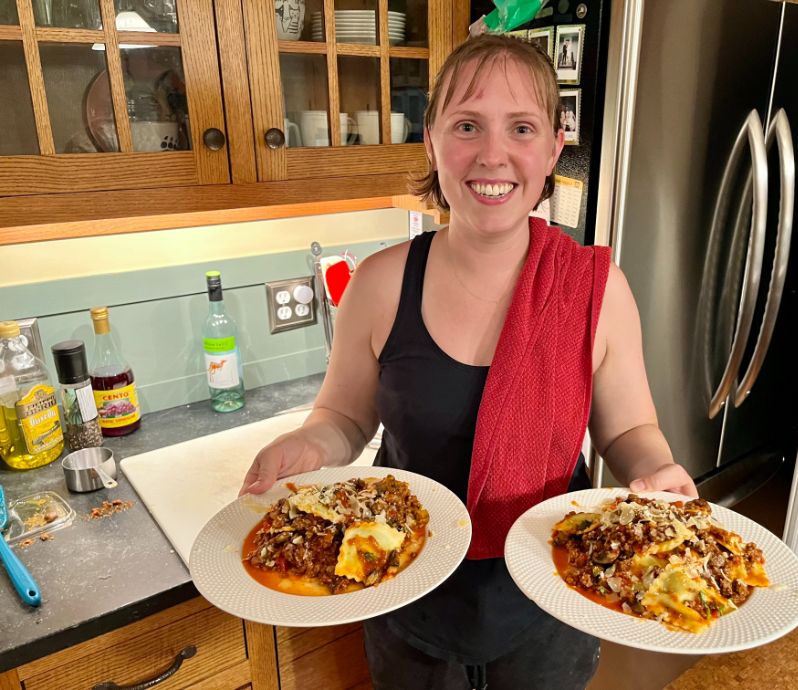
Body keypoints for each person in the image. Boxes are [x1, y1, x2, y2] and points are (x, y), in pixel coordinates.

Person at [240, 34, 696, 690]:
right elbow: (343, 416)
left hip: (549, 599)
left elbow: (627, 431)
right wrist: (309, 442)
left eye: (520, 127)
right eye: (466, 125)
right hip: (401, 593)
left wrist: (655, 471)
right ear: (432, 143)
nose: (492, 154)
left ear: (552, 149)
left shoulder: (596, 290)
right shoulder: (379, 284)